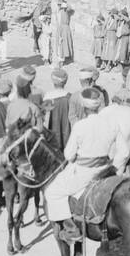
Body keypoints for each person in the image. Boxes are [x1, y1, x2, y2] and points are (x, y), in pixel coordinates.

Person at [44, 87, 122, 245]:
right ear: (98, 104)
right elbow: (114, 151)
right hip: (107, 169)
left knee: (52, 191)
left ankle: (71, 229)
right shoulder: (111, 124)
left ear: (83, 106)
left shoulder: (80, 126)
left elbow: (68, 155)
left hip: (85, 172)